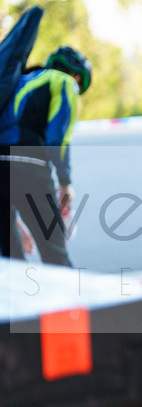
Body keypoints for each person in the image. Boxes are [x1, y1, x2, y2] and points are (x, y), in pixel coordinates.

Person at [0, 45, 90, 266]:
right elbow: (57, 138)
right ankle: (68, 300)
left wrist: (19, 226)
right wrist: (65, 182)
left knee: (11, 260)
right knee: (54, 254)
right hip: (30, 166)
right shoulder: (63, 82)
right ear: (76, 76)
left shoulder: (17, 80)